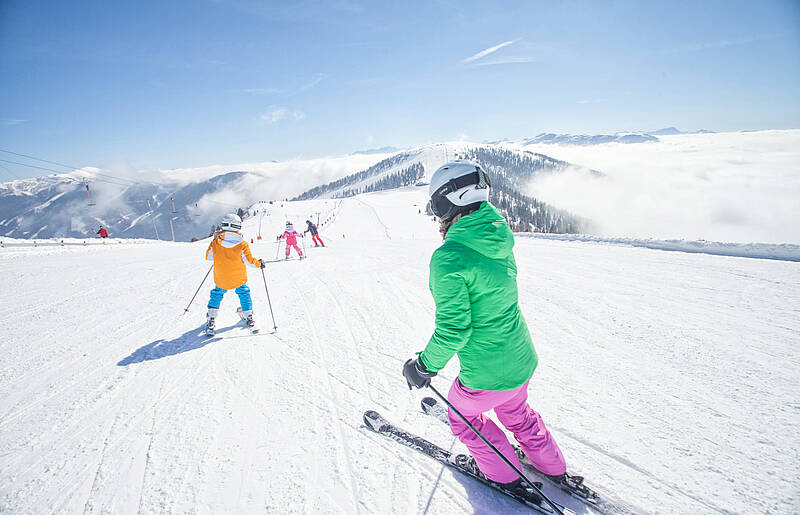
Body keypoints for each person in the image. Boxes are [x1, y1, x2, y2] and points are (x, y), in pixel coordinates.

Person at [402, 161, 566, 495]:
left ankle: (505, 475)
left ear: (449, 203)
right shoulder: (498, 238)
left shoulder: (450, 257)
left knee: (463, 419)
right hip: (521, 359)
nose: (435, 215)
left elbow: (454, 331)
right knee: (517, 412)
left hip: (486, 376)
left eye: (435, 205)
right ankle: (553, 466)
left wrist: (422, 366)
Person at [205, 213, 265, 334]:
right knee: (243, 292)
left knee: (217, 293)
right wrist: (259, 264)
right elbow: (249, 261)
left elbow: (209, 257)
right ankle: (248, 315)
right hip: (238, 278)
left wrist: (215, 242)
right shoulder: (242, 244)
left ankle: (211, 318)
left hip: (221, 278)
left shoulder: (216, 242)